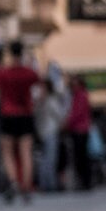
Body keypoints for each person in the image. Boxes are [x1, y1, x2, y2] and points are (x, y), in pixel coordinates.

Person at [0, 42, 41, 204]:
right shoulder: (29, 73)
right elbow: (41, 91)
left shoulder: (1, 73)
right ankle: (26, 187)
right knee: (26, 152)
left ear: (10, 53)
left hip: (8, 115)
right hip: (26, 115)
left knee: (7, 152)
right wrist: (34, 104)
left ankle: (13, 183)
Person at [34, 61, 69, 193]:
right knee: (50, 159)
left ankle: (45, 183)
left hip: (42, 132)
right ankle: (49, 184)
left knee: (44, 159)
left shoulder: (40, 102)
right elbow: (60, 116)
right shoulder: (51, 100)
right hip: (51, 132)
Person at [65, 77, 93, 191]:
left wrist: (67, 124)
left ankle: (85, 181)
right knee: (81, 157)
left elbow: (77, 113)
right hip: (80, 129)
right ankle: (84, 181)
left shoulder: (80, 95)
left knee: (80, 157)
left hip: (79, 130)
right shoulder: (80, 95)